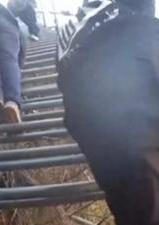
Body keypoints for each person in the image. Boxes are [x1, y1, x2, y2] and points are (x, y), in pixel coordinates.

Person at [57, 0, 159, 224]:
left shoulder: (76, 28)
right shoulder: (141, 27)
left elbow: (64, 80)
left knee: (133, 202)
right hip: (137, 62)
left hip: (85, 105)